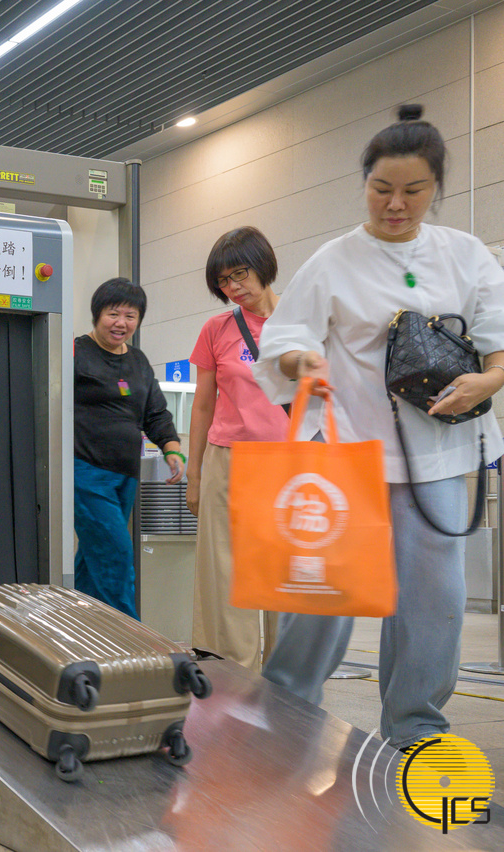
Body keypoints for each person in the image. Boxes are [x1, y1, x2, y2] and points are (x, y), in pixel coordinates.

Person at [251, 105, 504, 750]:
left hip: (436, 455)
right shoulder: (334, 260)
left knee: (434, 599)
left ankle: (415, 727)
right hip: (347, 455)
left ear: (435, 189)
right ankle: (286, 712)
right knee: (323, 597)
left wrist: (491, 378)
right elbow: (285, 337)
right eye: (381, 188)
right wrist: (301, 361)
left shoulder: (465, 254)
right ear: (364, 182)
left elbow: (496, 335)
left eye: (414, 190)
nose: (396, 204)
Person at [187, 226, 287, 670]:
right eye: (223, 281)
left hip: (289, 462)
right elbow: (203, 405)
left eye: (240, 274)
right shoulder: (217, 329)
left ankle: (286, 680)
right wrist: (195, 475)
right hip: (228, 459)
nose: (233, 287)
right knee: (226, 573)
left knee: (284, 572)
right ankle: (235, 675)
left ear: (263, 265)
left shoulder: (302, 323)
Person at [73, 277, 184, 618]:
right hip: (85, 472)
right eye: (113, 314)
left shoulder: (138, 360)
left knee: (94, 559)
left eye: (130, 316)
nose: (121, 323)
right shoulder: (75, 351)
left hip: (126, 476)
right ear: (97, 314)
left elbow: (156, 412)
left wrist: (172, 449)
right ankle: (129, 636)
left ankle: (81, 629)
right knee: (117, 555)